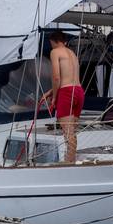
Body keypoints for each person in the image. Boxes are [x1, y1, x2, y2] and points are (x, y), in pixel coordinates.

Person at [40, 31, 83, 163]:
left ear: (53, 41)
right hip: (79, 91)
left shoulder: (55, 52)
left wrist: (54, 98)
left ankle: (68, 163)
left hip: (66, 93)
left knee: (67, 133)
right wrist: (50, 92)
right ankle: (71, 160)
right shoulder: (72, 54)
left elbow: (57, 77)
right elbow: (67, 79)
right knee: (72, 132)